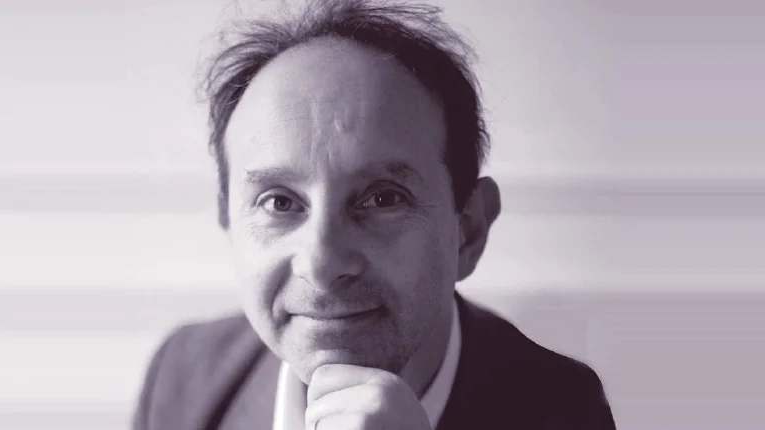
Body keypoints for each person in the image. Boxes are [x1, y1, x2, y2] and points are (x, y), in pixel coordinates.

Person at [132, 1, 616, 429]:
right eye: (280, 202)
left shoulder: (565, 411)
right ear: (229, 221)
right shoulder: (181, 377)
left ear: (467, 230)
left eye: (383, 199)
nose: (322, 264)